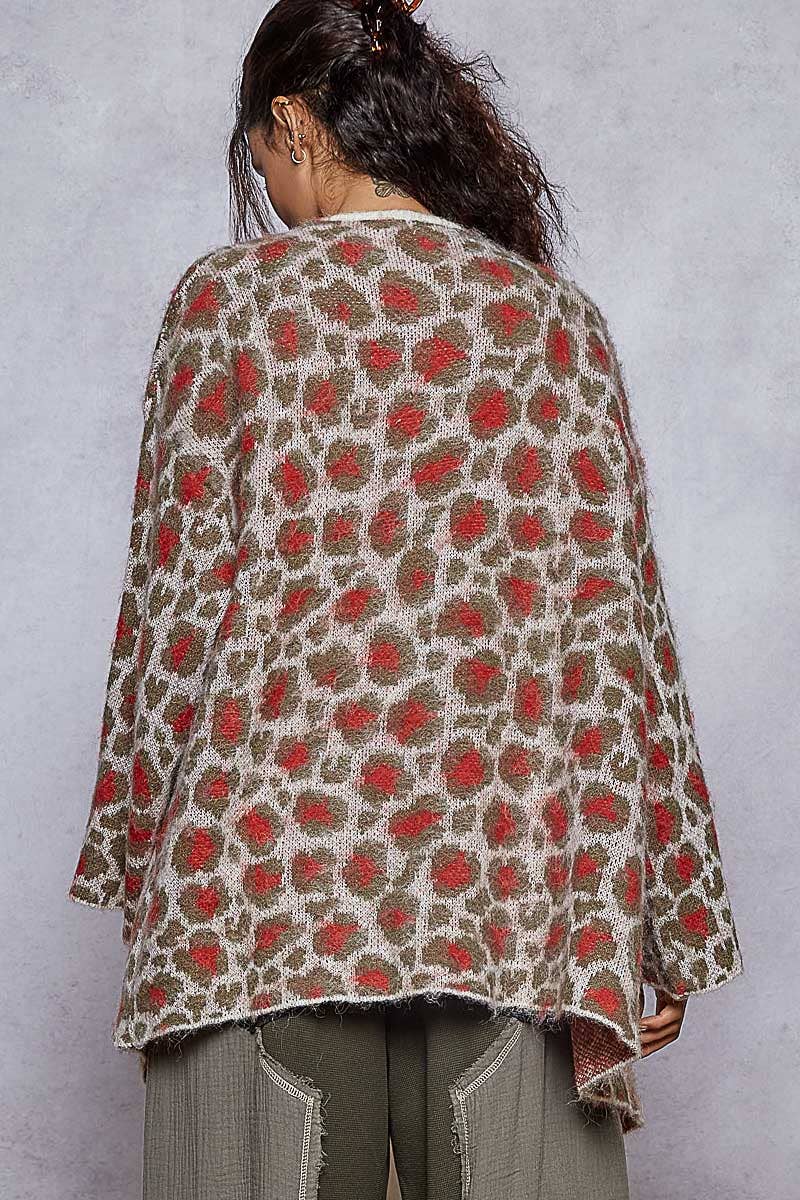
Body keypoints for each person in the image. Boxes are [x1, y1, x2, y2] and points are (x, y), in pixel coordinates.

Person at [66, 2, 744, 1197]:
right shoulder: (555, 324)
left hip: (261, 902)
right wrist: (669, 918)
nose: (269, 191)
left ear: (291, 122)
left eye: (260, 160)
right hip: (512, 895)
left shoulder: (229, 305)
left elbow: (172, 616)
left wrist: (139, 863)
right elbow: (619, 634)